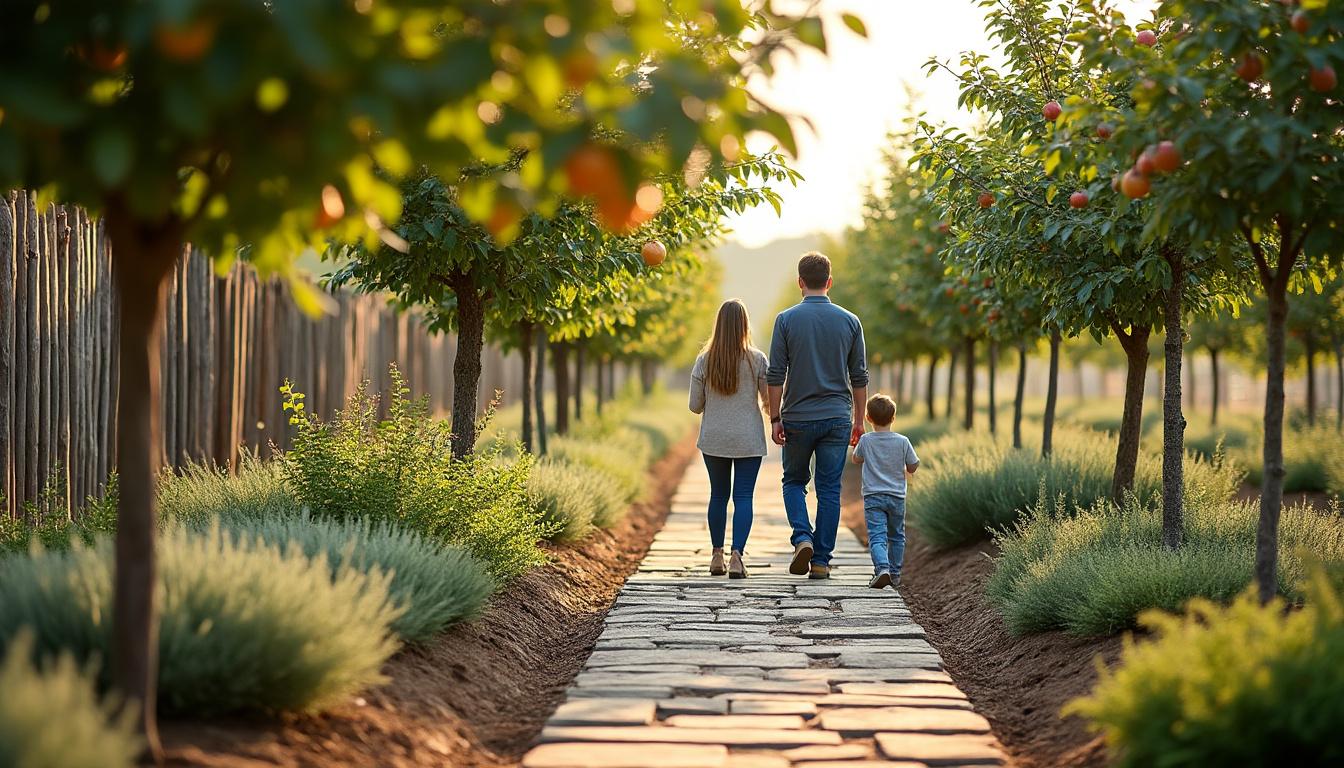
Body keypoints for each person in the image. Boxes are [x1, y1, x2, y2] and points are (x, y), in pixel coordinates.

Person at [767, 252, 869, 580]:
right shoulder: (851, 321)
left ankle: (801, 537)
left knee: (794, 481)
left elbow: (775, 374)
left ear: (800, 283)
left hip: (797, 416)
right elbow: (859, 377)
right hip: (838, 417)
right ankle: (822, 560)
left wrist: (775, 418)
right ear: (830, 282)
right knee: (829, 489)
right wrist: (858, 421)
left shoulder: (785, 320)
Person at [689, 299, 769, 579]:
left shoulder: (704, 360)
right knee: (744, 496)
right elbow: (768, 401)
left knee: (719, 495)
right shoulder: (757, 359)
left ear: (718, 325)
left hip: (714, 438)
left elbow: (695, 405)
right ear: (745, 324)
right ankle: (737, 557)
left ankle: (715, 556)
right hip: (748, 437)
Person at [851, 394, 919, 589]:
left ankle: (882, 568)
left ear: (868, 418)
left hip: (873, 496)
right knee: (897, 535)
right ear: (893, 417)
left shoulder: (866, 440)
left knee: (877, 536)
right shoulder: (902, 441)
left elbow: (856, 459)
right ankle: (895, 574)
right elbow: (913, 464)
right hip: (897, 496)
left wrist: (858, 446)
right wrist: (908, 471)